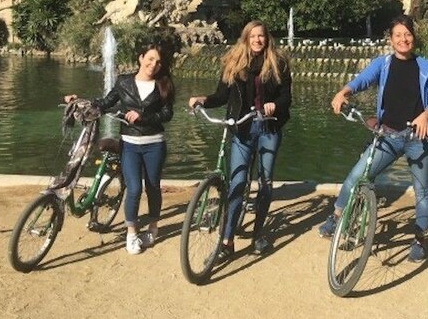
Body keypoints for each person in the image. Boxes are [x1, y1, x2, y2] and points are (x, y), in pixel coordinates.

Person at [319, 15, 428, 262]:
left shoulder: (426, 67)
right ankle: (336, 216)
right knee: (357, 175)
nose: (403, 39)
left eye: (407, 34)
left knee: (422, 191)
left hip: (417, 137)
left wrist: (426, 115)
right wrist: (344, 91)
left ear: (413, 38)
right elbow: (363, 79)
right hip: (388, 135)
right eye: (398, 35)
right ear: (391, 39)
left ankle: (419, 239)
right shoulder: (383, 64)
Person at [188, 20, 291, 258]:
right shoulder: (233, 63)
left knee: (265, 182)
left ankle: (258, 235)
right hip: (241, 129)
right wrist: (204, 99)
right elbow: (222, 95)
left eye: (261, 36)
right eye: (253, 36)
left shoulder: (278, 63)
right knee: (237, 183)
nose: (257, 40)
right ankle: (227, 241)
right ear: (245, 38)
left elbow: (287, 97)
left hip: (269, 128)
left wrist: (274, 105)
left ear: (267, 39)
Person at [64, 41, 174, 255]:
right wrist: (80, 101)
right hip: (130, 144)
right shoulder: (124, 82)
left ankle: (152, 228)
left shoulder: (164, 84)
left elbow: (167, 114)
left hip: (154, 144)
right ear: (141, 58)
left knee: (152, 186)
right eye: (150, 59)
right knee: (133, 189)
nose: (153, 64)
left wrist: (144, 117)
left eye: (158, 62)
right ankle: (131, 234)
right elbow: (105, 102)